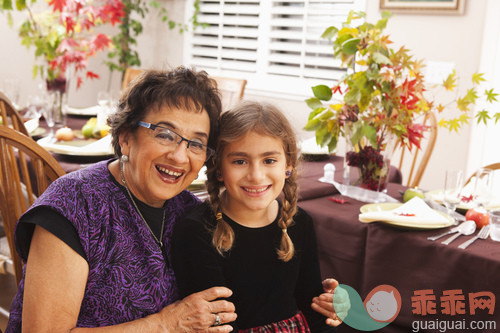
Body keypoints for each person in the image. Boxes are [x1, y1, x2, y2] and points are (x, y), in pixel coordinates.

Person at [6, 67, 237, 332]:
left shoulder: (192, 213)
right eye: (164, 134)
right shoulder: (73, 207)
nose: (180, 156)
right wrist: (164, 324)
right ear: (126, 138)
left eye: (196, 143)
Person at [171, 101, 338, 332]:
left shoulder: (299, 222)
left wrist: (331, 310)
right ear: (219, 167)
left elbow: (313, 307)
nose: (256, 176)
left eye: (269, 160)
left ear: (287, 164)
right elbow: (216, 324)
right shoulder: (197, 231)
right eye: (240, 161)